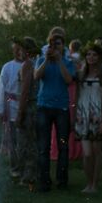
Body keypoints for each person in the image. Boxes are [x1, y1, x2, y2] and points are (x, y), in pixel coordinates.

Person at [33, 30, 76, 192]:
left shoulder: (67, 62)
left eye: (58, 44)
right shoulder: (41, 60)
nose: (55, 47)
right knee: (43, 147)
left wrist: (59, 61)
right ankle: (44, 181)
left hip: (61, 108)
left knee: (63, 146)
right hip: (44, 106)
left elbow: (68, 80)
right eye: (52, 44)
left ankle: (62, 181)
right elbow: (37, 76)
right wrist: (46, 60)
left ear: (63, 46)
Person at [74, 43, 102, 193]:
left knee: (97, 152)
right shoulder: (80, 75)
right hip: (82, 115)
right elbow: (76, 95)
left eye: (94, 55)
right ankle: (88, 183)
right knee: (87, 153)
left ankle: (95, 184)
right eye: (88, 54)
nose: (91, 57)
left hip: (97, 115)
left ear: (100, 57)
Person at [14, 36, 41, 187]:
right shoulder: (37, 63)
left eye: (20, 48)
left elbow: (24, 91)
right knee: (34, 142)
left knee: (26, 143)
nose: (18, 51)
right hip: (36, 106)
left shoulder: (27, 65)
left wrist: (20, 113)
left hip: (29, 106)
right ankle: (33, 174)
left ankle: (28, 177)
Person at [0, 40, 24, 165]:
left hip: (26, 105)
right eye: (18, 50)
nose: (20, 53)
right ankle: (14, 165)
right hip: (11, 104)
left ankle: (25, 165)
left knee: (24, 137)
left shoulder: (31, 65)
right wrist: (0, 109)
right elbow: (2, 88)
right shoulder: (8, 67)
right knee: (12, 138)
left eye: (23, 50)